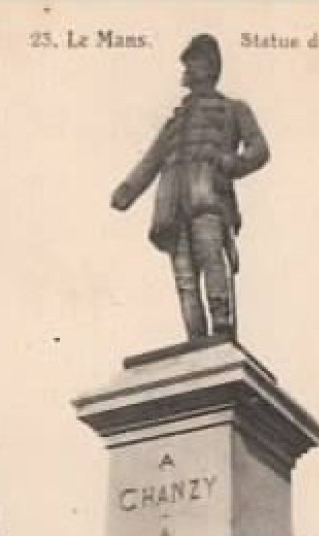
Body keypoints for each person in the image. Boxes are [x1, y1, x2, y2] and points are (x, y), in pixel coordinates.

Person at [111, 34, 270, 339]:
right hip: (172, 204)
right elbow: (152, 158)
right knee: (184, 277)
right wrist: (127, 190)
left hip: (208, 198)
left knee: (212, 260)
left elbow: (259, 149)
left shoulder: (234, 109)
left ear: (210, 66)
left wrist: (231, 163)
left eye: (193, 61)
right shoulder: (176, 120)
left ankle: (221, 327)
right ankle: (195, 338)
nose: (187, 69)